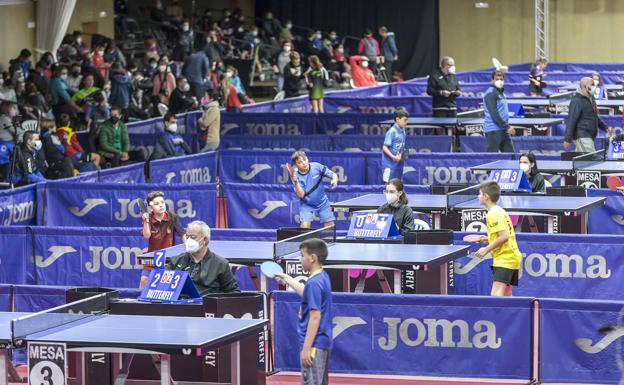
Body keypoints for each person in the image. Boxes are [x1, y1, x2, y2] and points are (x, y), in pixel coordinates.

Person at [274, 238, 332, 385]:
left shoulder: (314, 283)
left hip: (313, 345)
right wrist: (287, 278)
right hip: (321, 342)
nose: (300, 259)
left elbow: (315, 318)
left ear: (312, 258)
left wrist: (306, 349)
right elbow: (304, 291)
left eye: (301, 255)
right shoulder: (322, 276)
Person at [474, 181, 522, 297]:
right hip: (513, 257)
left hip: (505, 259)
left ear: (486, 197)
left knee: (496, 297)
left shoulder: (492, 214)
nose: (478, 196)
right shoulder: (500, 210)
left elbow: (504, 237)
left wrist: (486, 249)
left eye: (480, 194)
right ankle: (510, 316)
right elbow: (505, 234)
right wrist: (487, 239)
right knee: (506, 295)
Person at [166, 220, 240, 294]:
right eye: (187, 237)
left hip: (207, 304)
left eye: (193, 237)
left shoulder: (220, 264)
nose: (189, 241)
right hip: (181, 303)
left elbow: (233, 292)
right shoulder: (175, 261)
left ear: (205, 240)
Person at [140, 191, 185, 288]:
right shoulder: (149, 219)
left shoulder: (171, 217)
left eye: (162, 202)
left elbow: (182, 233)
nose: (161, 205)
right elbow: (147, 235)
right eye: (157, 204)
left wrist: (189, 246)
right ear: (151, 207)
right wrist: (146, 221)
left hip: (168, 260)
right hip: (153, 259)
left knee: (165, 286)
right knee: (143, 281)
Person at [287, 151, 338, 229]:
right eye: (300, 162)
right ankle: (305, 241)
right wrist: (296, 182)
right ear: (296, 165)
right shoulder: (296, 176)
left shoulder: (316, 166)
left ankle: (329, 241)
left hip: (322, 202)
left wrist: (335, 180)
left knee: (330, 226)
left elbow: (333, 175)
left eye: (304, 159)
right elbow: (301, 195)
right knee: (305, 227)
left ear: (307, 158)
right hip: (306, 204)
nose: (304, 163)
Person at [563, 77, 610, 153]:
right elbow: (572, 120)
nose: (594, 87)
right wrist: (567, 139)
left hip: (589, 135)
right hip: (582, 135)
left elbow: (594, 116)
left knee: (581, 161)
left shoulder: (591, 98)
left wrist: (604, 127)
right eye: (592, 85)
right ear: (585, 86)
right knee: (591, 159)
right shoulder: (576, 101)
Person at [483, 70, 515, 153]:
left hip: (503, 129)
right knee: (491, 159)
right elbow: (494, 114)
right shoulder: (490, 93)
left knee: (511, 156)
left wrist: (505, 127)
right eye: (497, 79)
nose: (499, 81)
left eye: (501, 79)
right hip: (494, 130)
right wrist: (507, 126)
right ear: (492, 80)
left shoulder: (500, 92)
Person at [382, 108, 408, 183]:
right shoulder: (391, 132)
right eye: (405, 120)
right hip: (389, 165)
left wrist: (400, 155)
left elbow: (401, 147)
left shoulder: (403, 131)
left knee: (397, 185)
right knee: (388, 185)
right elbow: (384, 147)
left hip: (398, 165)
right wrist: (393, 157)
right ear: (397, 119)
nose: (407, 122)